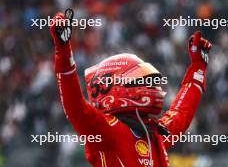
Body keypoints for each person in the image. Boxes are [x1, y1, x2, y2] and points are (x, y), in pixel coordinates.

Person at [49, 9, 212, 167]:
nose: (151, 87)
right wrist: (63, 51)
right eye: (141, 80)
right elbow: (76, 109)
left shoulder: (155, 134)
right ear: (114, 86)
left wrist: (198, 68)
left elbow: (181, 113)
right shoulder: (108, 129)